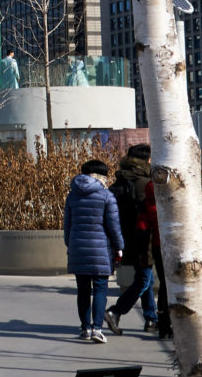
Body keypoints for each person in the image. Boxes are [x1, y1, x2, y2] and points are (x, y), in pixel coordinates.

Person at [62, 160, 123, 342]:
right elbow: (113, 226)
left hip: (77, 247)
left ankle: (85, 328)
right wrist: (119, 246)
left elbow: (67, 225)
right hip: (100, 250)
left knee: (82, 290)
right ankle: (97, 328)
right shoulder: (107, 196)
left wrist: (70, 244)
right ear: (102, 175)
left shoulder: (72, 196)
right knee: (100, 289)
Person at [105, 145, 158, 336]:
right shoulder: (144, 183)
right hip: (143, 239)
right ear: (146, 160)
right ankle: (116, 311)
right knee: (144, 279)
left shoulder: (120, 180)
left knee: (146, 279)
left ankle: (151, 319)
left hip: (125, 238)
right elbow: (149, 215)